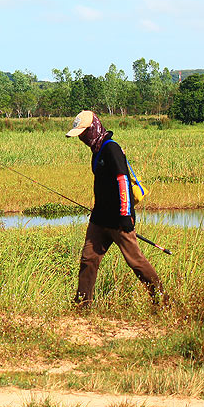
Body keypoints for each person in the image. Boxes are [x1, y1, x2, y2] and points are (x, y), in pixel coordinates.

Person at [66, 110, 164, 307]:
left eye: (84, 133)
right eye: (80, 135)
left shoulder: (111, 149)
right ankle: (82, 305)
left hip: (119, 219)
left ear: (94, 128)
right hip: (99, 218)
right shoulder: (96, 151)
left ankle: (162, 300)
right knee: (88, 260)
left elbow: (123, 180)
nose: (83, 138)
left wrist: (125, 216)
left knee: (135, 262)